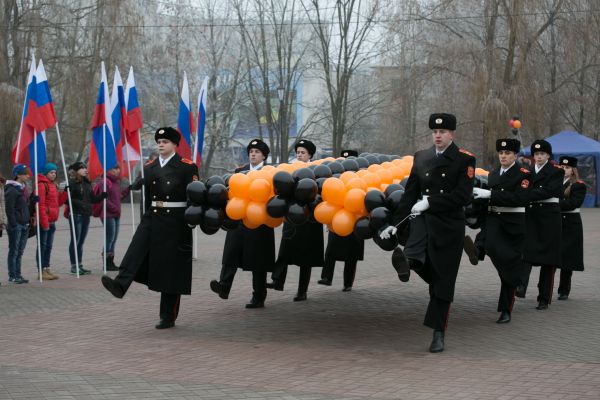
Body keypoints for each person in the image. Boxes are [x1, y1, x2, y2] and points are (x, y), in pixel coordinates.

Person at [380, 113, 476, 353]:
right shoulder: (421, 157)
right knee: (417, 256)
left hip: (449, 226)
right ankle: (408, 263)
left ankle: (438, 333)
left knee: (442, 281)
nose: (438, 135)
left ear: (452, 134)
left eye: (442, 132)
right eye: (434, 131)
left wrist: (431, 202)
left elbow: (462, 196)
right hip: (422, 222)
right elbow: (410, 194)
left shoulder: (464, 160)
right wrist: (395, 223)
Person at [101, 127, 199, 329]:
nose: (161, 144)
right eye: (159, 141)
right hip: (153, 216)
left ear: (174, 144)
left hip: (176, 220)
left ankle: (167, 315)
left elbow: (194, 195)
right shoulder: (151, 167)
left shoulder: (187, 167)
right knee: (136, 248)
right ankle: (120, 284)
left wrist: (191, 219)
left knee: (171, 268)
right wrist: (144, 217)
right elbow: (147, 196)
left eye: (165, 141)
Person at [469, 139, 532, 323]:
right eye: (501, 153)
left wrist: (491, 194)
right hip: (494, 221)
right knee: (494, 250)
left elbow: (519, 199)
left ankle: (506, 309)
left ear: (515, 155)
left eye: (508, 153)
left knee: (508, 263)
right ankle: (479, 250)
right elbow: (489, 199)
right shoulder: (494, 173)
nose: (503, 156)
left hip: (513, 224)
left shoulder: (524, 174)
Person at [210, 139, 275, 308]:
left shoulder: (270, 173)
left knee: (257, 261)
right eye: (251, 151)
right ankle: (224, 286)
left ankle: (258, 296)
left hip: (259, 221)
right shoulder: (239, 172)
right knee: (231, 253)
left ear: (264, 156)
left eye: (257, 152)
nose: (253, 154)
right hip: (238, 220)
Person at [267, 139, 324, 301]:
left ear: (310, 155)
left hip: (310, 220)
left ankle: (302, 291)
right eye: (298, 152)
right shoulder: (289, 169)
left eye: (303, 152)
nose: (299, 155)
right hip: (291, 216)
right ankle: (277, 281)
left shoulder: (317, 170)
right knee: (285, 250)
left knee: (306, 257)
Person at [522, 139, 564, 310]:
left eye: (542, 154)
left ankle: (544, 297)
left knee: (548, 259)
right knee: (526, 252)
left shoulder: (556, 171)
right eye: (536, 154)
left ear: (548, 155)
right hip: (532, 216)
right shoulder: (528, 171)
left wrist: (527, 194)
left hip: (548, 217)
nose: (538, 157)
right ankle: (520, 286)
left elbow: (550, 190)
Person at [319, 149, 364, 291]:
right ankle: (327, 277)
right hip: (338, 219)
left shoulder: (362, 178)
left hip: (355, 219)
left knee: (352, 255)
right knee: (331, 250)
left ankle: (348, 283)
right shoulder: (337, 178)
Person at [61, 161, 105, 275]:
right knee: (75, 240)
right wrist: (80, 203)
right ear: (76, 171)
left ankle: (79, 264)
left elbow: (92, 199)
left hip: (86, 215)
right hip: (76, 215)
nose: (85, 169)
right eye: (82, 168)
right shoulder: (71, 183)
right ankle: (73, 266)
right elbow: (67, 199)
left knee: (81, 241)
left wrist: (101, 196)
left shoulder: (87, 183)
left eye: (85, 168)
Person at [556, 156, 586, 300]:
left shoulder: (578, 185)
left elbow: (574, 203)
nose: (564, 169)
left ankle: (564, 289)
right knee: (553, 256)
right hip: (556, 222)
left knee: (567, 258)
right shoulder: (555, 183)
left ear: (573, 170)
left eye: (567, 168)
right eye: (562, 167)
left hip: (571, 224)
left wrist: (553, 203)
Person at [93, 164, 129, 271]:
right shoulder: (104, 182)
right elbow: (105, 200)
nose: (117, 170)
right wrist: (115, 208)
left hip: (116, 214)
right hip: (108, 214)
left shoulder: (116, 182)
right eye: (115, 168)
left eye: (118, 168)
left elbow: (119, 197)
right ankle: (106, 262)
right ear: (108, 169)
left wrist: (128, 190)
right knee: (109, 238)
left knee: (114, 239)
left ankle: (111, 262)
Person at [4, 164, 33, 284]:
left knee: (20, 251)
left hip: (24, 223)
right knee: (14, 250)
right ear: (18, 175)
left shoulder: (23, 188)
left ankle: (18, 274)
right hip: (16, 225)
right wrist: (14, 223)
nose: (28, 175)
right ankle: (12, 275)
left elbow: (25, 205)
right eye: (25, 173)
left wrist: (32, 200)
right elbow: (9, 209)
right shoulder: (11, 189)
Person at [36, 163, 61, 280]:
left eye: (55, 172)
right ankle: (40, 270)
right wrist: (44, 223)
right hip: (44, 222)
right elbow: (41, 205)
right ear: (46, 173)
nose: (54, 174)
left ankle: (47, 268)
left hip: (52, 221)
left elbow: (58, 203)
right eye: (51, 172)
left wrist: (65, 193)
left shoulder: (54, 185)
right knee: (42, 246)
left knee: (49, 246)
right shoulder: (42, 185)